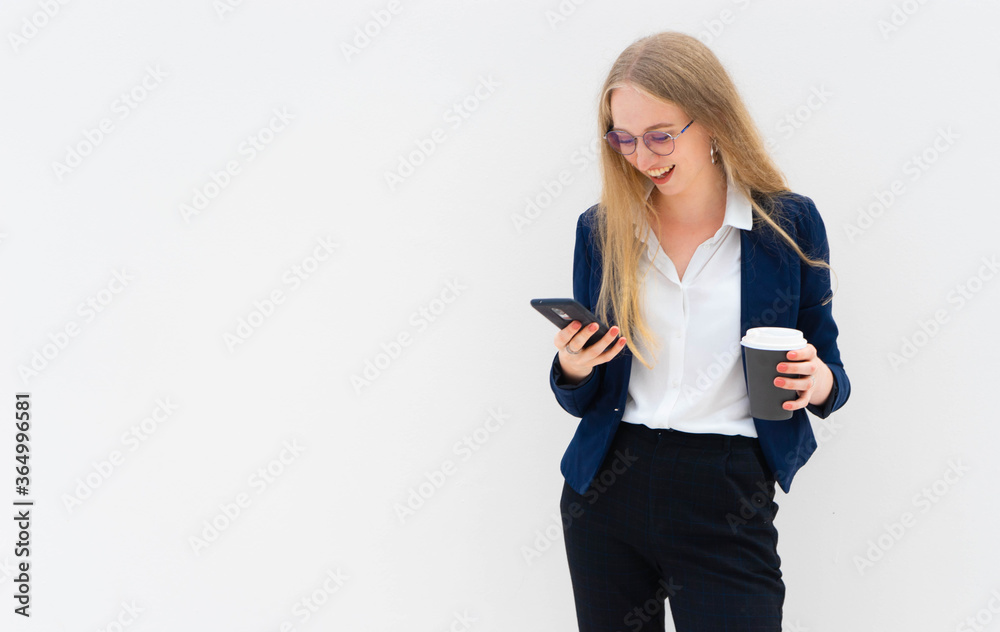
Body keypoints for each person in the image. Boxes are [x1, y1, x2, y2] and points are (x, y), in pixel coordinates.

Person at [547, 31, 851, 631]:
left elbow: (833, 378)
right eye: (624, 138)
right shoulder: (601, 229)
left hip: (727, 488)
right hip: (608, 485)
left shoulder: (787, 225)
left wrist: (815, 382)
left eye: (661, 135)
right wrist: (575, 366)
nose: (643, 156)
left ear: (712, 120)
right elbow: (578, 394)